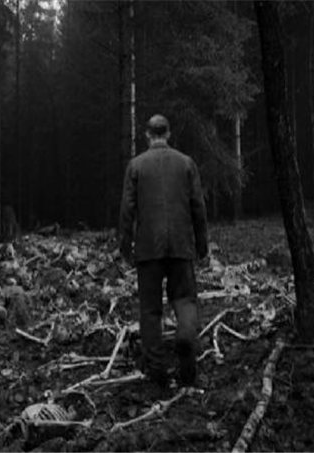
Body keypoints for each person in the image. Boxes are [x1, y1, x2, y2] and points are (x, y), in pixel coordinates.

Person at [118, 114, 208, 391]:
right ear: (168, 134)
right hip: (181, 245)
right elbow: (198, 206)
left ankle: (157, 371)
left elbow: (127, 209)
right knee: (185, 299)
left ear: (147, 135)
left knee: (150, 310)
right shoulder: (186, 163)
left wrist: (125, 246)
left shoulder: (136, 166)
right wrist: (202, 243)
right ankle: (185, 344)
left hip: (148, 248)